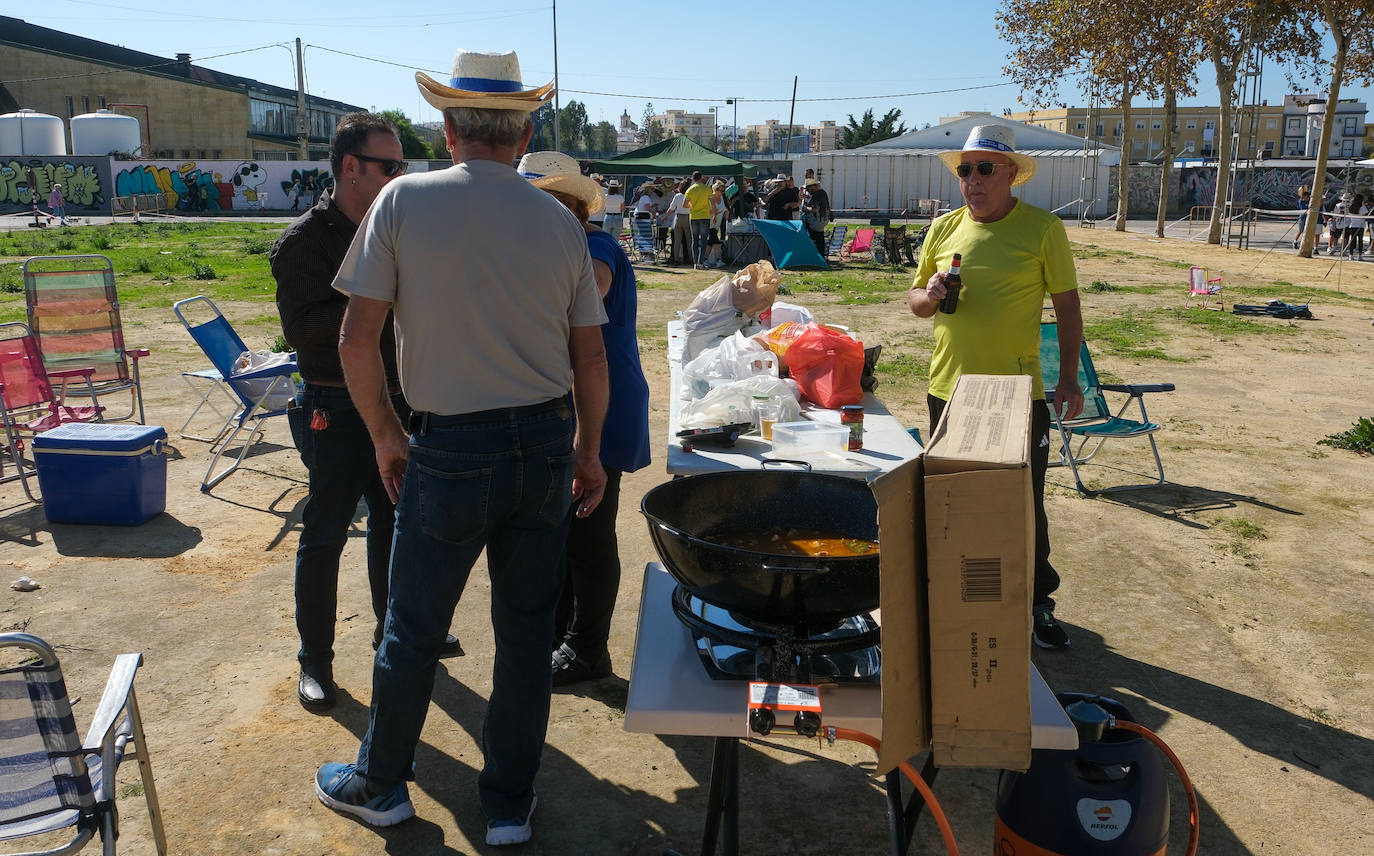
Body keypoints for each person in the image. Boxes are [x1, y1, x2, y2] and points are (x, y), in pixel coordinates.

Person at [314, 49, 610, 847]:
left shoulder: (405, 200)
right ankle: (509, 803)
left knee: (413, 627)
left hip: (451, 445)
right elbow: (591, 357)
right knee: (523, 632)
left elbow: (356, 338)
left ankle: (380, 783)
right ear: (525, 132)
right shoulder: (559, 218)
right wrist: (588, 450)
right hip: (544, 441)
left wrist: (384, 433)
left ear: (447, 127)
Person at [270, 112, 461, 713]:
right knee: (324, 534)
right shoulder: (303, 242)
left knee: (395, 526)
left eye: (402, 165)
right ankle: (315, 661)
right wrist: (377, 313)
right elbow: (306, 332)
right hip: (335, 401)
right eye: (390, 166)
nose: (400, 176)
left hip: (399, 401)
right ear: (351, 168)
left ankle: (392, 637)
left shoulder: (393, 227)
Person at [907, 124, 1083, 651]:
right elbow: (915, 303)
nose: (973, 180)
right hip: (949, 388)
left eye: (985, 169)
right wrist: (931, 294)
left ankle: (1037, 604)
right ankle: (959, 599)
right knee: (952, 501)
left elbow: (1069, 306)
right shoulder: (943, 228)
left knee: (1023, 504)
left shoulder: (1043, 228)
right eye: (965, 169)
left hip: (1015, 395)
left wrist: (1068, 377)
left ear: (1011, 175)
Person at [514, 152, 651, 687]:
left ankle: (587, 648)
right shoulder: (561, 245)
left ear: (568, 206)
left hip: (599, 403)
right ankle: (562, 633)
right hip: (578, 399)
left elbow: (585, 293)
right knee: (568, 529)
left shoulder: (594, 248)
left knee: (588, 532)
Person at [685, 170, 713, 268]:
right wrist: (713, 212)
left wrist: (692, 206)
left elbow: (685, 205)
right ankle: (701, 262)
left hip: (693, 216)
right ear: (702, 178)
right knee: (704, 240)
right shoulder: (707, 188)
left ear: (693, 179)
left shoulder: (690, 190)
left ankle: (695, 263)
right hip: (705, 216)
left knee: (695, 240)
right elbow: (712, 202)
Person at [801, 176, 831, 256]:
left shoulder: (816, 195)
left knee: (815, 239)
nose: (807, 190)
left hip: (815, 222)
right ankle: (821, 256)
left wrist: (805, 208)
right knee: (820, 240)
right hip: (822, 220)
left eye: (807, 188)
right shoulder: (822, 193)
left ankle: (815, 256)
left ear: (812, 187)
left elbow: (815, 209)